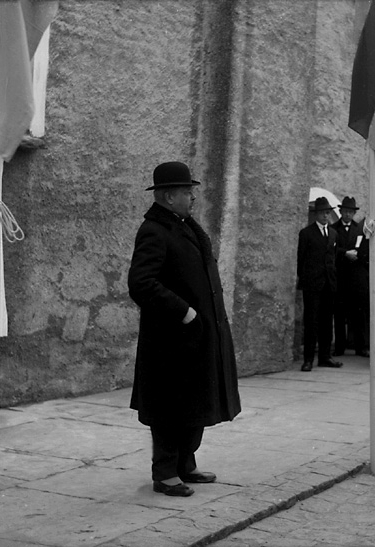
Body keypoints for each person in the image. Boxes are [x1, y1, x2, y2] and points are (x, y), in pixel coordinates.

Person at [128, 161, 241, 497]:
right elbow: (141, 283)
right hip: (171, 340)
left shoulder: (184, 226)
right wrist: (185, 312)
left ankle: (185, 464)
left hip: (197, 337)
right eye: (187, 192)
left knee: (195, 403)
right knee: (169, 407)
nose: (193, 197)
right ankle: (165, 473)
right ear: (168, 196)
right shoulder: (154, 231)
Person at [297, 196, 344, 371]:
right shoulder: (306, 233)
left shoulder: (333, 234)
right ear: (316, 214)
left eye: (327, 213)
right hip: (312, 284)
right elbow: (301, 260)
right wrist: (306, 279)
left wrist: (333, 279)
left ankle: (325, 356)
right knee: (311, 322)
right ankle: (308, 359)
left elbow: (333, 258)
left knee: (326, 321)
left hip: (328, 284)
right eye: (322, 213)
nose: (325, 216)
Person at [332, 196, 368, 357]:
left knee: (358, 314)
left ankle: (361, 347)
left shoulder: (359, 229)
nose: (347, 214)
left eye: (350, 212)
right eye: (345, 211)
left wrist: (356, 255)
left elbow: (365, 249)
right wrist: (344, 253)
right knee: (339, 314)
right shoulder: (333, 229)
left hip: (356, 277)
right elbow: (332, 249)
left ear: (354, 213)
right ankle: (339, 347)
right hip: (340, 277)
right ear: (341, 212)